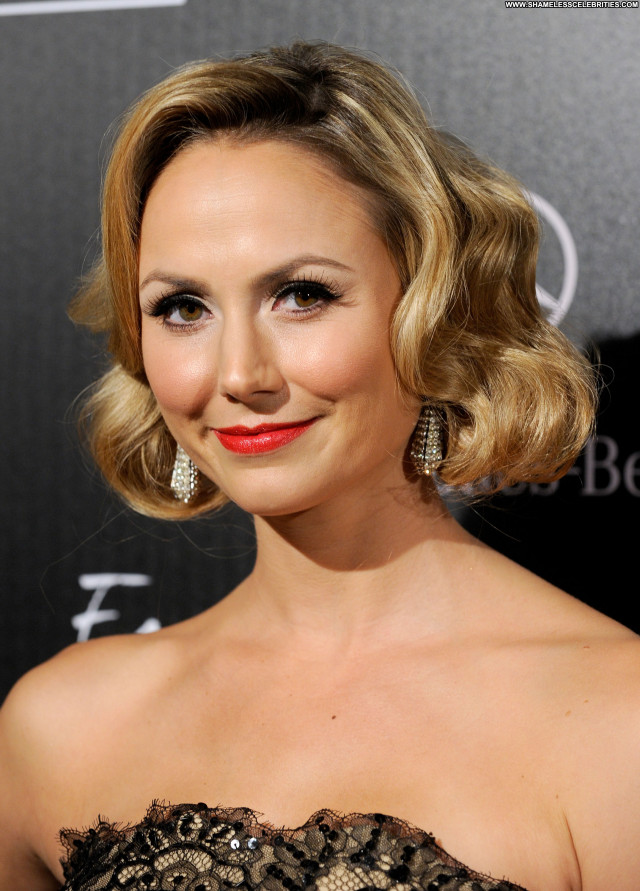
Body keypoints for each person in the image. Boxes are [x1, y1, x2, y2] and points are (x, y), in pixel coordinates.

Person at [0, 41, 638, 891]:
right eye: (183, 307)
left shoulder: (615, 724)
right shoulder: (61, 725)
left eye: (301, 294)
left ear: (431, 311)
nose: (239, 373)